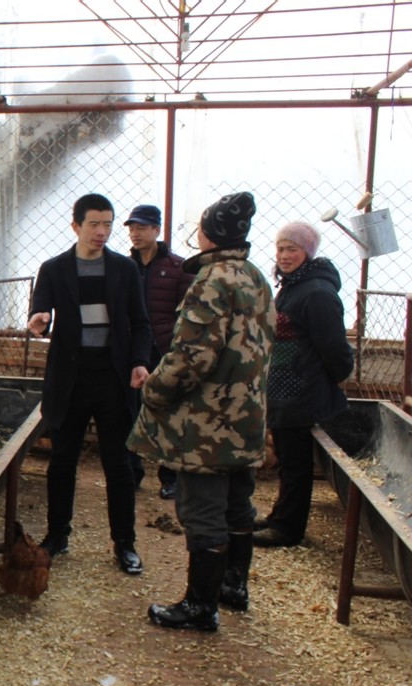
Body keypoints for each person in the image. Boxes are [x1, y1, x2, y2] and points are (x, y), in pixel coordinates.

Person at [129, 191, 274, 631]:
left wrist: (154, 389)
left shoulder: (212, 281)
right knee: (237, 505)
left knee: (203, 510)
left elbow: (193, 356)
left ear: (207, 233)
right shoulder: (255, 277)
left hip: (209, 423)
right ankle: (233, 587)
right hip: (247, 415)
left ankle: (199, 606)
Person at [27, 193, 152, 575]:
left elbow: (141, 323)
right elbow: (40, 307)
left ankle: (125, 544)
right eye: (95, 224)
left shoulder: (124, 270)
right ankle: (57, 535)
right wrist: (39, 319)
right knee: (62, 462)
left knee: (119, 465)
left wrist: (140, 362)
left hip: (113, 379)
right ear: (76, 225)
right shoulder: (54, 268)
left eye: (108, 224)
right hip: (70, 378)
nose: (103, 232)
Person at [253, 221, 354, 548]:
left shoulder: (317, 293)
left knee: (296, 464)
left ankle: (288, 529)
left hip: (302, 390)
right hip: (285, 388)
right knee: (287, 458)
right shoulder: (293, 286)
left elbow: (334, 348)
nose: (283, 255)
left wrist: (337, 376)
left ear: (307, 253)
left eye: (292, 249)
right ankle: (279, 517)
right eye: (280, 248)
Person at [124, 203, 195, 500]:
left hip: (165, 350)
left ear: (157, 230)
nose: (135, 234)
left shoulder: (179, 268)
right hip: (130, 351)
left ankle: (171, 477)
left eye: (141, 227)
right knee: (129, 411)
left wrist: (178, 348)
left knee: (168, 413)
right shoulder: (123, 266)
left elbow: (189, 312)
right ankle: (132, 472)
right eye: (131, 228)